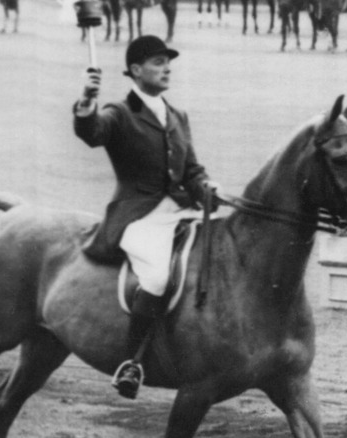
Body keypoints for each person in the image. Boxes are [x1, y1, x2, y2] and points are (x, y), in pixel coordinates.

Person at [73, 35, 218, 399]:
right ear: (136, 71)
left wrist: (207, 189)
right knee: (155, 275)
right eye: (157, 63)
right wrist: (87, 102)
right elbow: (92, 133)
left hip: (181, 211)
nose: (166, 68)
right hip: (138, 216)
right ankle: (131, 361)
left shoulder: (178, 116)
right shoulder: (120, 114)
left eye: (168, 62)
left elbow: (192, 170)